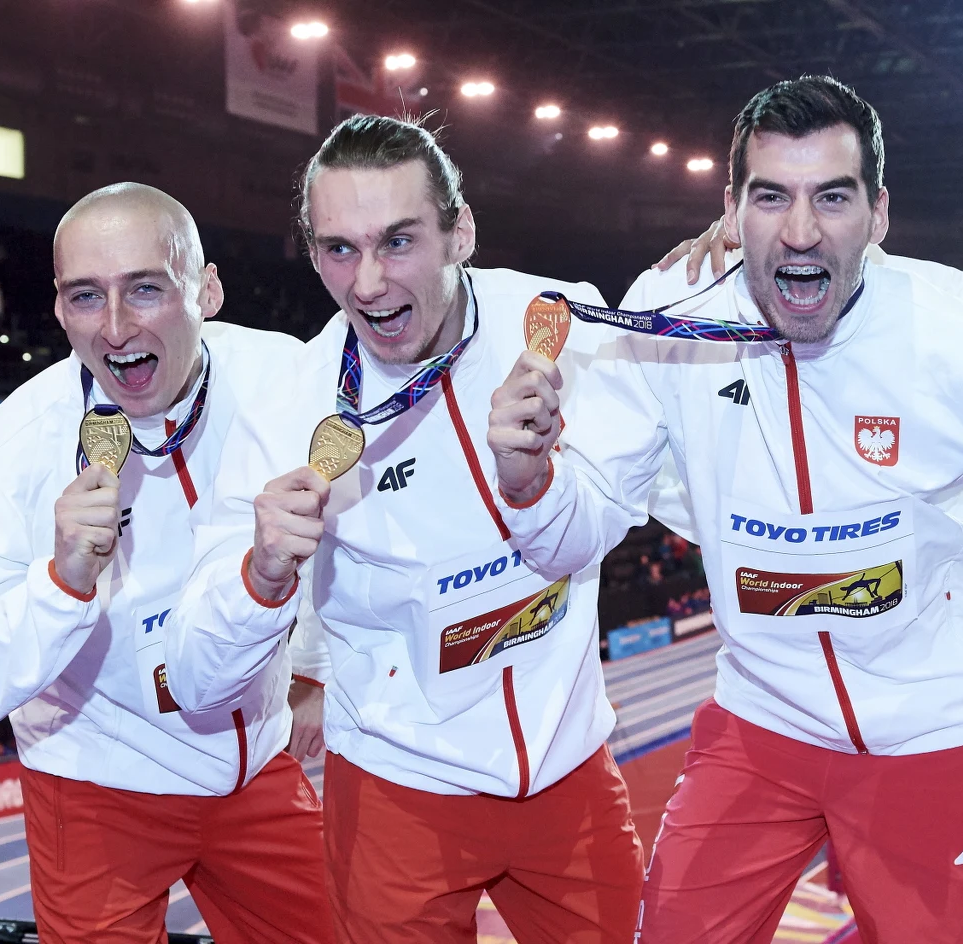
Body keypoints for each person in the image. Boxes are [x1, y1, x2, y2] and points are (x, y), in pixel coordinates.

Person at [487, 76, 963, 943]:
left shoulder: (958, 327)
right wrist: (525, 481)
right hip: (760, 724)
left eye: (832, 198)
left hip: (927, 737)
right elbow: (574, 534)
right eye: (771, 197)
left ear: (879, 214)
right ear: (731, 209)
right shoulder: (669, 314)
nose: (802, 232)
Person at [167, 114, 644, 944]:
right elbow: (198, 680)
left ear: (460, 232)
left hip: (568, 773)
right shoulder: (289, 406)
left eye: (398, 240)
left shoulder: (559, 328)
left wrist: (533, 483)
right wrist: (262, 575)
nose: (369, 283)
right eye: (338, 249)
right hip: (398, 790)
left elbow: (593, 533)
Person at [0, 183, 334, 943]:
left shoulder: (284, 377)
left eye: (145, 289)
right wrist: (62, 583)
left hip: (254, 772)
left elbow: (347, 521)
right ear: (60, 307)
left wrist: (311, 667)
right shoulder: (6, 452)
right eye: (84, 296)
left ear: (207, 289)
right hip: (96, 785)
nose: (115, 327)